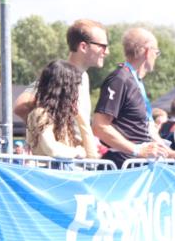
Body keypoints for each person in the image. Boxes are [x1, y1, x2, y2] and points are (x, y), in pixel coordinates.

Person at [92, 27, 175, 166]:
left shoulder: (135, 81)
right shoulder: (120, 79)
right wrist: (137, 150)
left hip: (139, 166)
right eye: (156, 52)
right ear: (147, 51)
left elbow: (147, 128)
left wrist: (170, 153)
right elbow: (99, 126)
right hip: (123, 167)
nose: (156, 56)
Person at [14, 19, 109, 149]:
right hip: (60, 163)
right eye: (102, 46)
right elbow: (20, 106)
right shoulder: (58, 76)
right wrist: (45, 133)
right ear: (83, 47)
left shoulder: (84, 77)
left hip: (77, 161)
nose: (106, 52)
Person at [25, 60, 98, 159]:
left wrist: (81, 117)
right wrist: (77, 152)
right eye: (74, 88)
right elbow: (51, 149)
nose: (76, 93)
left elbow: (92, 155)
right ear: (64, 90)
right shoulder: (40, 114)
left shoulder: (65, 119)